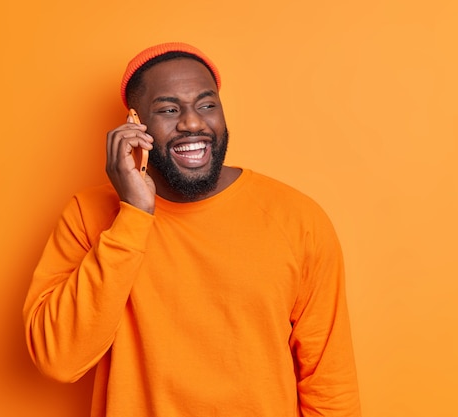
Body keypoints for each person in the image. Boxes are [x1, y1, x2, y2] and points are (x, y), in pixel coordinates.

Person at [23, 42, 362, 417]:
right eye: (169, 109)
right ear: (135, 124)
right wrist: (134, 215)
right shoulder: (88, 215)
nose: (193, 122)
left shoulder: (297, 219)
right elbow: (58, 359)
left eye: (207, 105)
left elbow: (330, 385)